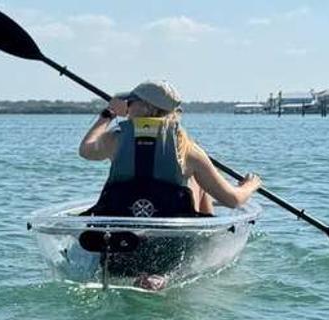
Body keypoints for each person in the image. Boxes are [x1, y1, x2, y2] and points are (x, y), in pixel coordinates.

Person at [77, 80, 260, 218]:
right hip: (171, 237)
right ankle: (208, 240)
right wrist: (250, 186)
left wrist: (108, 114)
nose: (127, 106)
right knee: (198, 182)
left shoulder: (115, 139)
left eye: (130, 101)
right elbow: (233, 200)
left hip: (123, 228)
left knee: (197, 180)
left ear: (145, 107)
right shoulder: (187, 149)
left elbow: (85, 150)